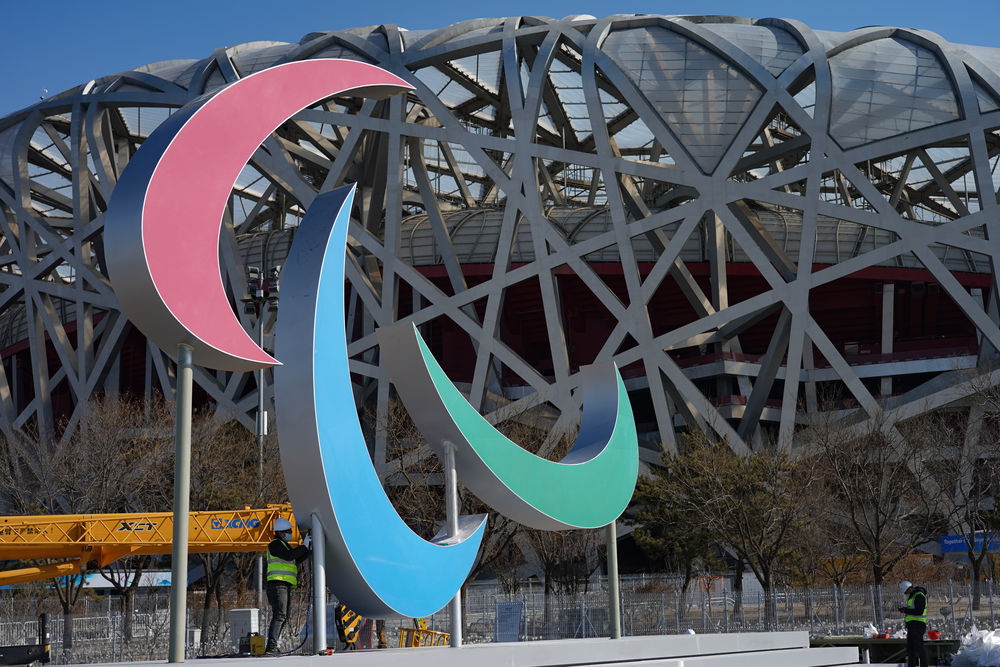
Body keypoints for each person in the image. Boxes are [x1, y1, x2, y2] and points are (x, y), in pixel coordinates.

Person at [264, 517, 310, 655]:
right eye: (288, 531)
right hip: (277, 584)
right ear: (281, 532)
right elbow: (290, 556)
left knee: (283, 615)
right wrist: (304, 546)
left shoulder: (284, 545)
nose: (290, 533)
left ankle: (273, 645)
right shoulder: (275, 544)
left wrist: (306, 549)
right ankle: (271, 647)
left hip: (283, 585)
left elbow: (296, 558)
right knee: (280, 615)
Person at [898, 580, 928, 667]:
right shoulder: (913, 596)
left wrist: (905, 610)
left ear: (909, 589)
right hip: (912, 625)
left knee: (919, 648)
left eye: (906, 592)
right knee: (911, 649)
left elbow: (919, 611)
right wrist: (905, 610)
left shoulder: (919, 596)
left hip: (918, 625)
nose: (906, 594)